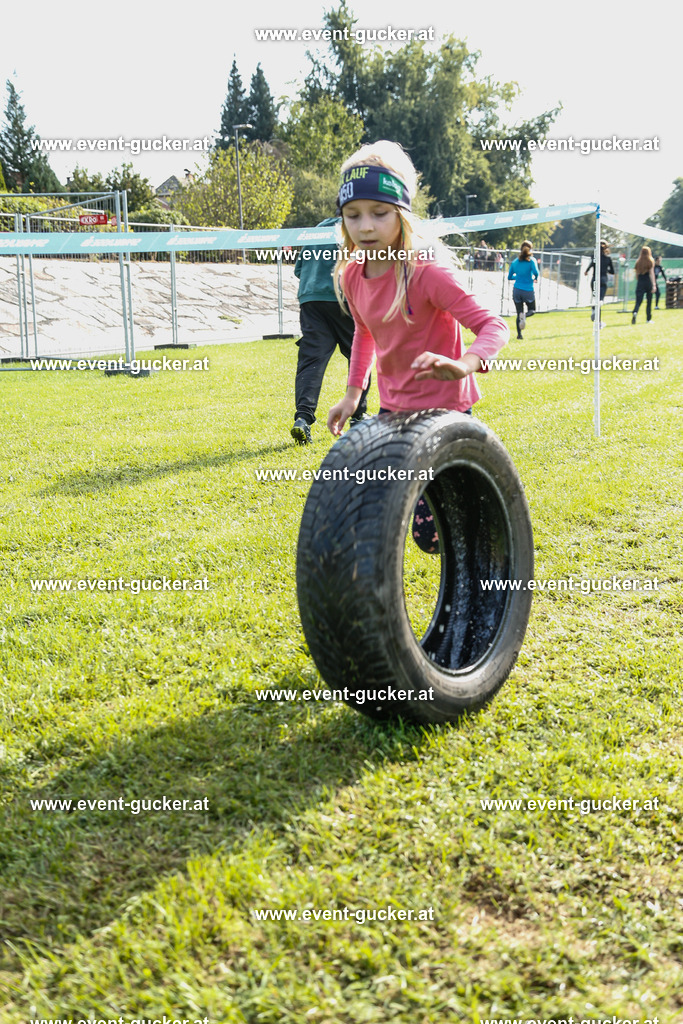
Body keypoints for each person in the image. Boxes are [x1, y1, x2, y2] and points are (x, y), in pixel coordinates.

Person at [326, 140, 509, 552]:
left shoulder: (426, 272)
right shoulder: (353, 276)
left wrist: (464, 363)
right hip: (392, 410)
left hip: (446, 411)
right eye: (352, 216)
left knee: (440, 528)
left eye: (379, 213)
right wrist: (354, 394)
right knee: (400, 515)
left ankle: (488, 567)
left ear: (402, 214)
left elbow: (493, 326)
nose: (365, 227)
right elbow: (364, 332)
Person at [290, 217, 371, 445]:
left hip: (311, 298)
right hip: (344, 297)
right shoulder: (358, 228)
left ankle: (303, 418)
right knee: (360, 353)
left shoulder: (316, 229)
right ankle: (358, 415)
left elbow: (299, 269)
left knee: (311, 360)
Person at [507, 241, 539, 340]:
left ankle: (519, 335)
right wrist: (534, 278)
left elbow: (509, 277)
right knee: (532, 310)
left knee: (518, 313)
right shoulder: (531, 261)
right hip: (528, 290)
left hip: (517, 290)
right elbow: (536, 272)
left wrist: (518, 277)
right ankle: (525, 315)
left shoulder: (515, 262)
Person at [584, 240, 615, 326]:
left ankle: (595, 311)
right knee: (600, 300)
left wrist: (586, 271)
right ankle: (598, 321)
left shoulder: (595, 258)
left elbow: (590, 265)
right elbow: (612, 271)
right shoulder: (608, 259)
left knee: (595, 299)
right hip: (603, 280)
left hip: (594, 280)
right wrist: (606, 269)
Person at [631, 246, 656, 324]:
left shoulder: (638, 262)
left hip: (640, 282)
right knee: (649, 301)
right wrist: (654, 285)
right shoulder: (650, 261)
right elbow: (651, 273)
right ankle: (648, 319)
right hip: (648, 281)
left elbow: (637, 275)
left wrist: (640, 281)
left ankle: (635, 311)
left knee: (638, 300)